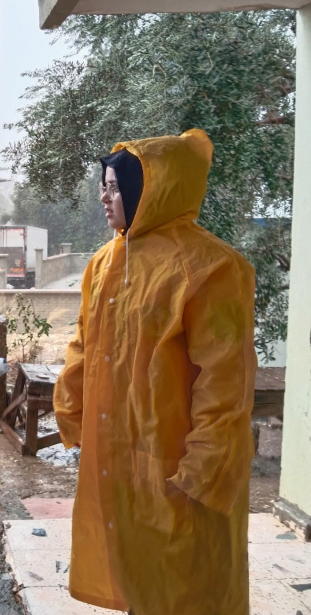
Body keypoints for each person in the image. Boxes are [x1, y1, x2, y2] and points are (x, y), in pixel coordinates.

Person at [53, 129, 257, 615]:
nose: (104, 197)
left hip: (177, 466)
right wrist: (74, 408)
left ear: (154, 190)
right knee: (134, 572)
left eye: (115, 187)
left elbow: (225, 382)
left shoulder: (211, 267)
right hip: (121, 457)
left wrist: (202, 468)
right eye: (103, 185)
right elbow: (85, 343)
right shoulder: (106, 261)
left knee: (187, 584)